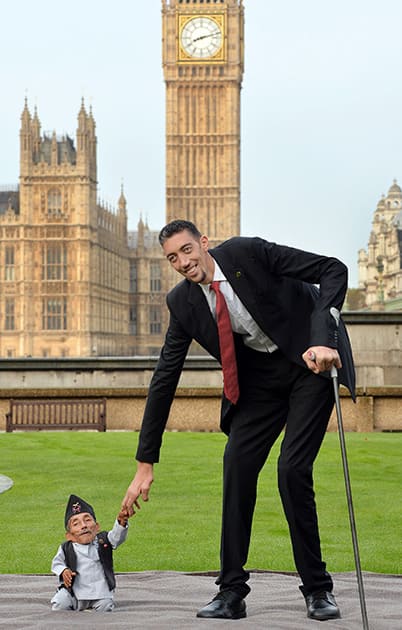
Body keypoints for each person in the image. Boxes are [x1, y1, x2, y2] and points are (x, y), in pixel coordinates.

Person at [121, 219, 355, 621]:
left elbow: (332, 269)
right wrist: (146, 461)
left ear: (204, 244)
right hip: (259, 383)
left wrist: (323, 337)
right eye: (172, 257)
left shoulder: (249, 253)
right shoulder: (183, 302)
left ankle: (317, 589)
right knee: (236, 466)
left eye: (187, 250)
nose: (182, 262)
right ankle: (231, 592)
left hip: (308, 364)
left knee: (291, 469)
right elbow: (165, 377)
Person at [51, 493, 137, 612]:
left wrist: (121, 520)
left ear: (97, 527)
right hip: (74, 592)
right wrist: (64, 571)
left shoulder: (103, 541)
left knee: (105, 606)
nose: (84, 526)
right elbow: (57, 563)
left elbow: (117, 537)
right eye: (76, 524)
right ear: (69, 536)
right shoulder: (66, 548)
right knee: (60, 603)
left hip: (99, 591)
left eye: (87, 520)